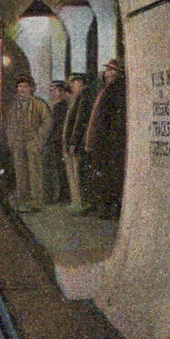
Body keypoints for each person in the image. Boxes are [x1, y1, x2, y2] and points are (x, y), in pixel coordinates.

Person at [83, 58, 127, 219]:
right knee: (103, 176)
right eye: (107, 70)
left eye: (109, 70)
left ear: (116, 73)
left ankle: (110, 210)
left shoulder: (115, 90)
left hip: (109, 143)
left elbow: (112, 121)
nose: (106, 73)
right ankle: (104, 208)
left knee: (110, 177)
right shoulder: (106, 89)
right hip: (102, 142)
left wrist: (105, 140)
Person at [1, 74, 51, 212]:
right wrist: (11, 141)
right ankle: (23, 200)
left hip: (32, 142)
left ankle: (36, 202)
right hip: (18, 142)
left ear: (31, 89)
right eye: (20, 86)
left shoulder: (39, 104)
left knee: (35, 172)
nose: (22, 89)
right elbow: (9, 125)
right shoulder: (13, 106)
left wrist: (39, 140)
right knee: (20, 172)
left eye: (25, 87)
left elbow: (46, 122)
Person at [62, 73, 93, 213]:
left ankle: (79, 203)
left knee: (77, 175)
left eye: (74, 83)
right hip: (71, 144)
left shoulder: (83, 97)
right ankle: (76, 201)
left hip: (77, 144)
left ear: (80, 82)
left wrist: (73, 142)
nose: (72, 87)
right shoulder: (77, 98)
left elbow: (79, 122)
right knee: (73, 174)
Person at [45, 80, 70, 204]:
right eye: (51, 91)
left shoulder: (62, 106)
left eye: (55, 90)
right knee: (58, 169)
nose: (52, 93)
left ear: (61, 91)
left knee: (62, 169)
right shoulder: (57, 105)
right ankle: (61, 194)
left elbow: (58, 126)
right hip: (56, 141)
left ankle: (64, 195)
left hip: (59, 141)